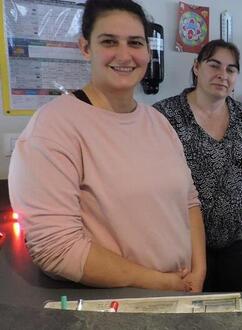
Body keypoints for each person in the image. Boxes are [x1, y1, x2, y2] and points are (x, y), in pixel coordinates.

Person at [8, 0, 205, 292]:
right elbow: (56, 248)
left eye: (135, 42)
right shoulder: (54, 127)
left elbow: (189, 202)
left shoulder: (158, 122)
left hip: (177, 293)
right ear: (86, 47)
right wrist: (159, 282)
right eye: (109, 41)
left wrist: (198, 271)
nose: (124, 55)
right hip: (112, 305)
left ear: (148, 51)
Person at [153, 40, 242, 303]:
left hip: (238, 242)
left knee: (232, 314)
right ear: (197, 67)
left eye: (231, 69)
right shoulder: (165, 116)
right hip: (184, 247)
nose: (223, 75)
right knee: (189, 317)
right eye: (214, 65)